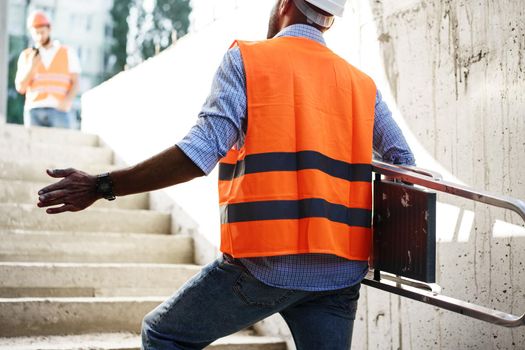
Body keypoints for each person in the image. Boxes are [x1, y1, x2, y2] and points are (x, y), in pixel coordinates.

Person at [37, 0, 415, 348]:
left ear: (284, 4)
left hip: (265, 264)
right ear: (329, 20)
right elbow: (403, 163)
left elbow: (199, 154)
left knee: (163, 334)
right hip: (340, 274)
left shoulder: (249, 60)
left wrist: (100, 185)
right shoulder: (360, 84)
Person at [15, 10, 81, 129]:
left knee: (60, 146)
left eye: (42, 32)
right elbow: (21, 87)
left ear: (49, 29)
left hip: (59, 110)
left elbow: (76, 83)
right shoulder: (27, 55)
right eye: (36, 33)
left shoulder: (67, 52)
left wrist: (66, 102)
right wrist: (32, 66)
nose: (40, 36)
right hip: (34, 110)